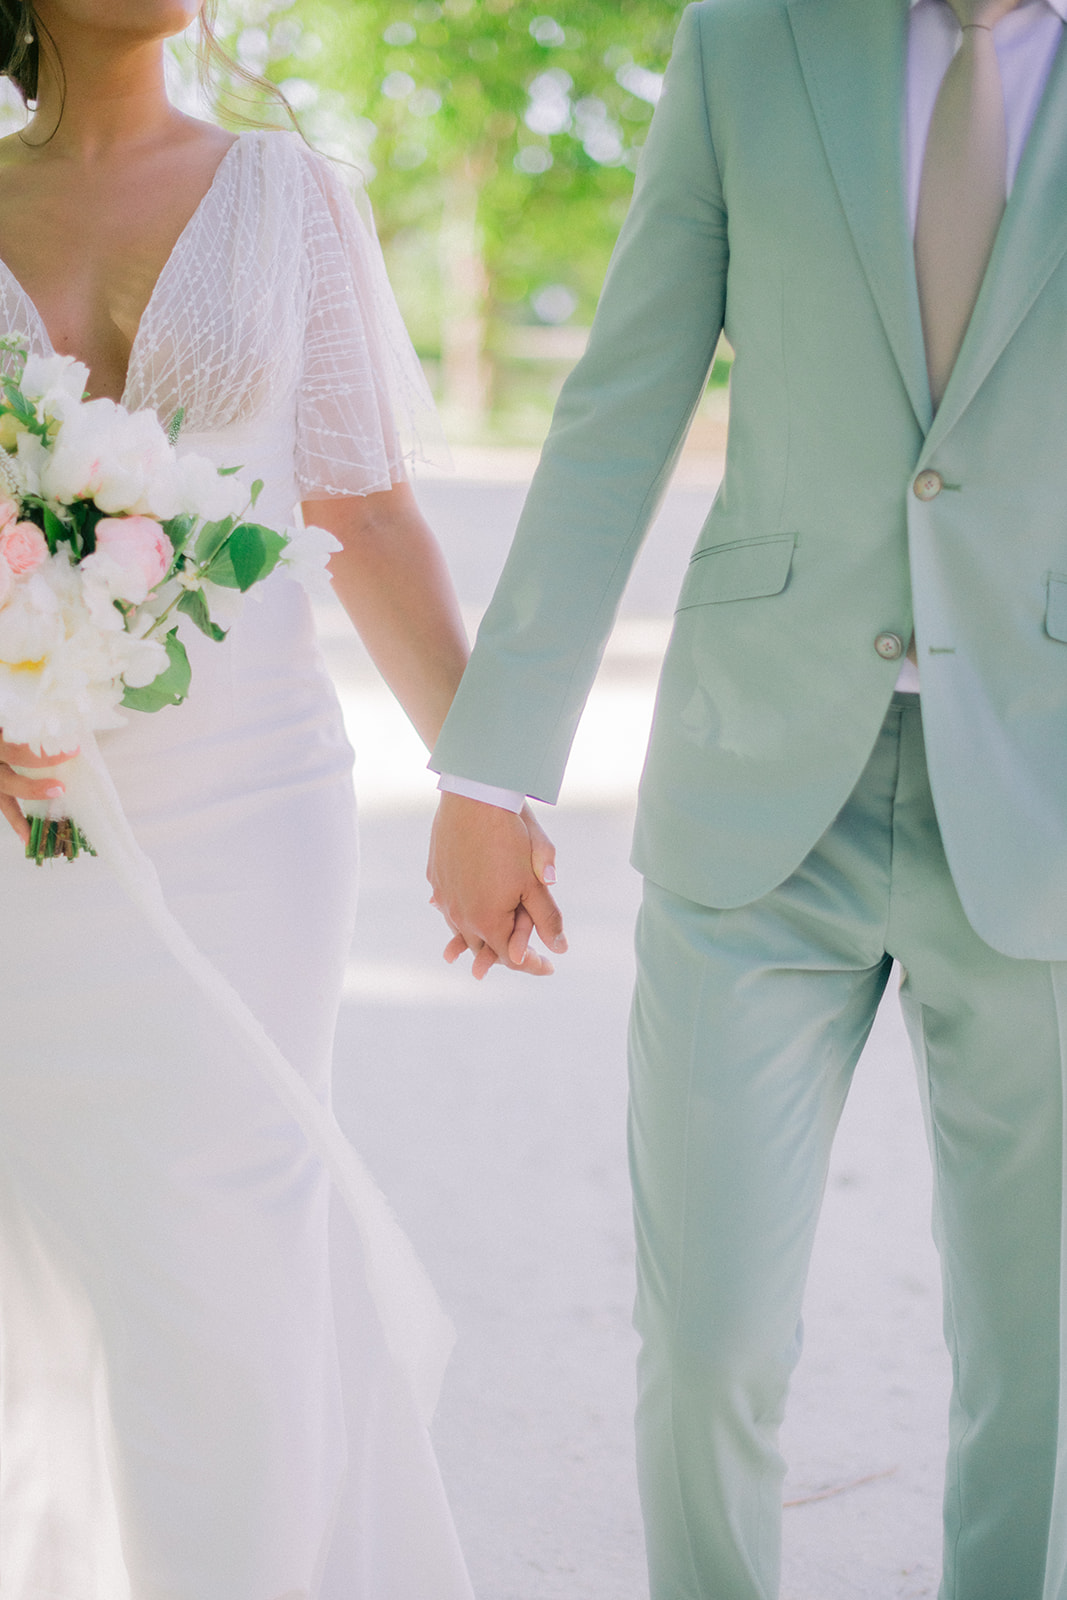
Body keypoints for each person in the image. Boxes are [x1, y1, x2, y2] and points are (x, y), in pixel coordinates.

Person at [427, 1, 1067, 1596]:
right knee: (707, 1340)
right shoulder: (752, 37)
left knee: (1043, 1373)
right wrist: (492, 766)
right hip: (762, 790)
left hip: (1050, 791)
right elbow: (624, 395)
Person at [0, 1, 541, 1594]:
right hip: (32, 818)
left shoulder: (287, 192)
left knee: (235, 1219)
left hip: (254, 807)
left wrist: (484, 779)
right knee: (77, 1235)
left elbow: (366, 518)